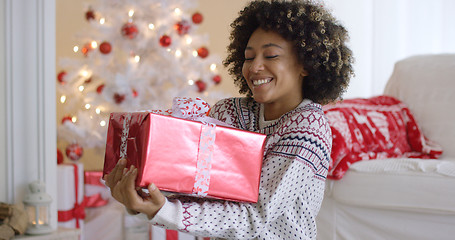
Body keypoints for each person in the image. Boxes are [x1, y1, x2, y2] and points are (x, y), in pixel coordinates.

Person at [104, 0, 353, 239]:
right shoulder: (230, 112)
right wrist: (142, 196)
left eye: (271, 56)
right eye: (248, 57)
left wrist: (163, 210)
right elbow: (196, 184)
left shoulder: (308, 129)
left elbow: (256, 215)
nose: (254, 67)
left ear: (306, 64)